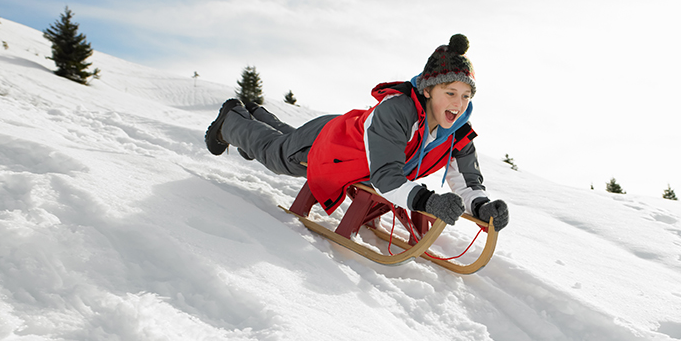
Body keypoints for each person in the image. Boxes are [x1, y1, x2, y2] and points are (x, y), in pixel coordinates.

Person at [204, 34, 509, 231]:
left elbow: (467, 179)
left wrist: (482, 206)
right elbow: (387, 178)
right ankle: (231, 121)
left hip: (353, 146)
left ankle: (257, 115)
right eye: (450, 92)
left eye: (466, 95)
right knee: (277, 155)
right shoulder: (397, 111)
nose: (458, 103)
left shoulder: (457, 131)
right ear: (428, 90)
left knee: (284, 141)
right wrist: (428, 202)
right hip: (331, 144)